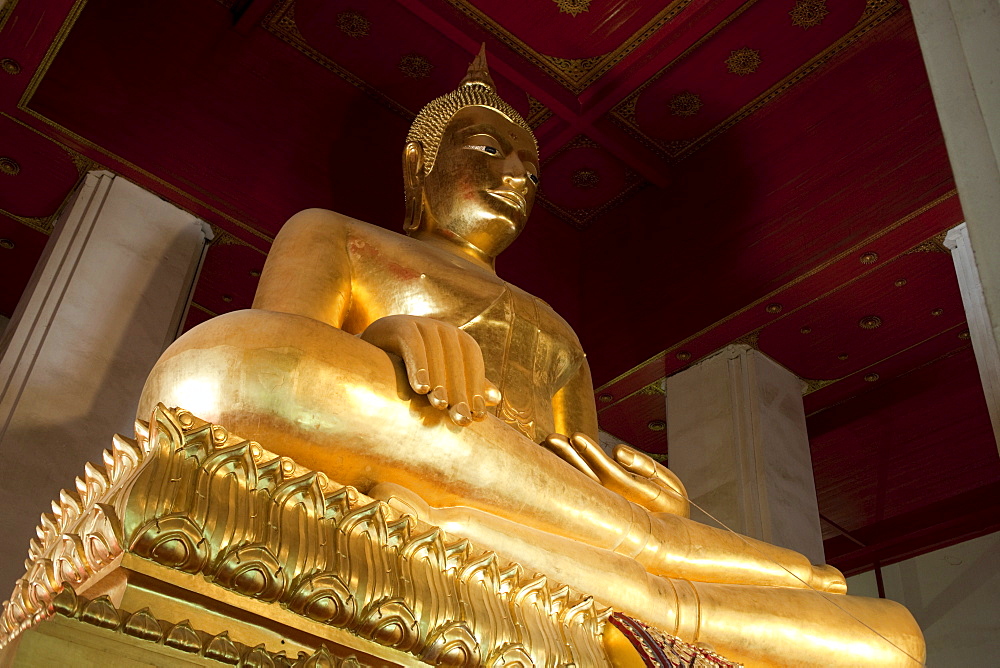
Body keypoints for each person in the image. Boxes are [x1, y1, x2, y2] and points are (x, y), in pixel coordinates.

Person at [138, 48, 924, 666]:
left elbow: (571, 470)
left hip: (543, 514)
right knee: (222, 367)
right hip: (410, 433)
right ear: (421, 164)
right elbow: (284, 367)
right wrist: (381, 341)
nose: (517, 177)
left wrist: (658, 505)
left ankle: (507, 545)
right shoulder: (337, 236)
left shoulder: (554, 329)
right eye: (489, 150)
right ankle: (631, 580)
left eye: (531, 170)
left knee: (891, 640)